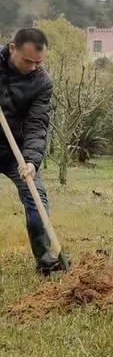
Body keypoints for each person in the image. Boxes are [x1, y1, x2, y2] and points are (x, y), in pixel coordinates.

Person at [0, 28, 63, 275]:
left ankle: (46, 260)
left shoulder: (42, 82)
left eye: (40, 62)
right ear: (13, 48)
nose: (35, 67)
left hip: (15, 152)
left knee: (37, 200)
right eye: (29, 61)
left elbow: (37, 125)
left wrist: (31, 162)